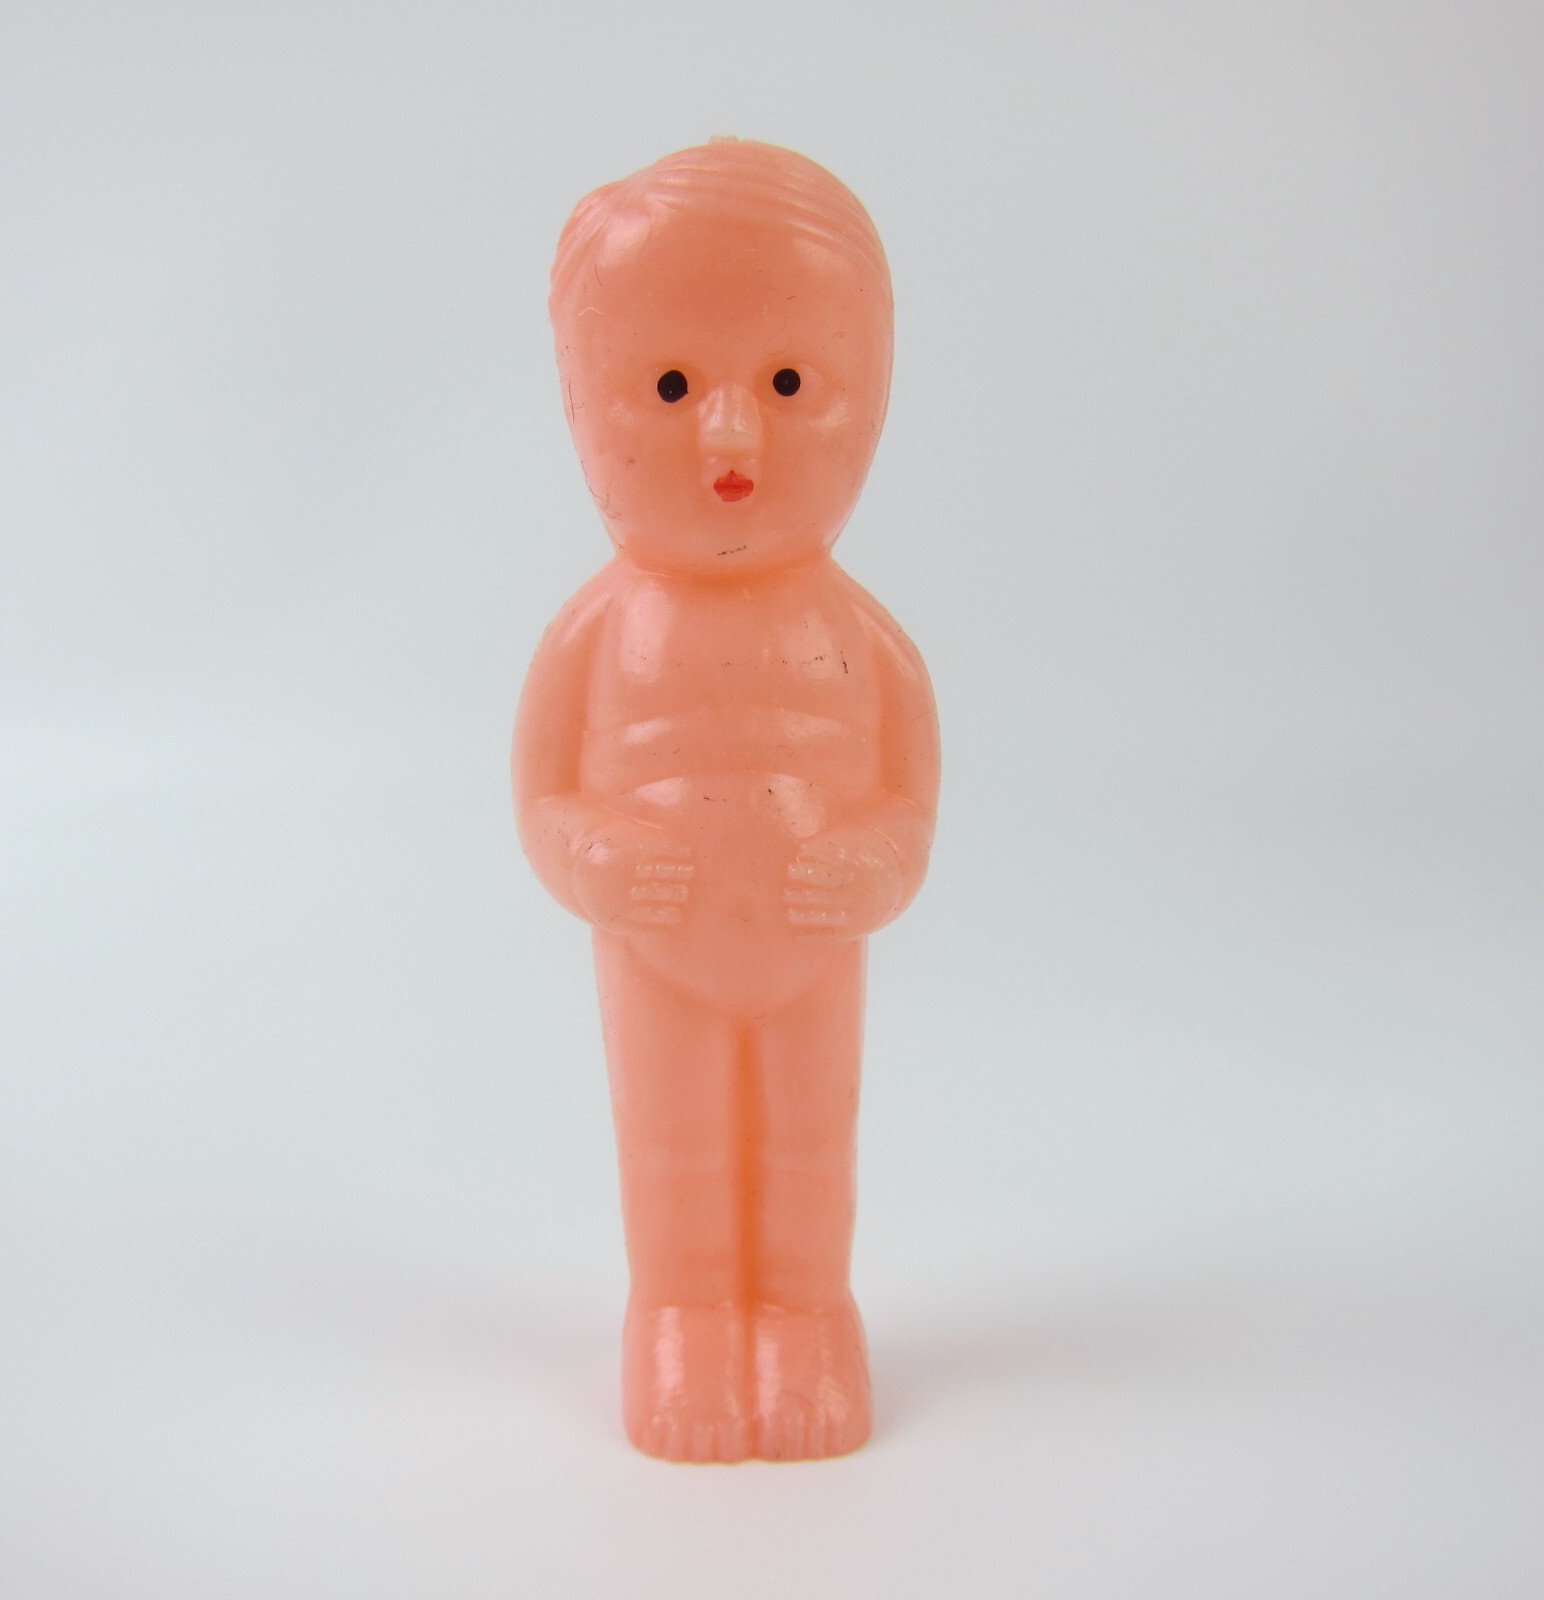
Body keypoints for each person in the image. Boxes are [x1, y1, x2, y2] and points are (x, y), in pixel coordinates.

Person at [514, 138, 939, 1462]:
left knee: (811, 1149)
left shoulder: (863, 639)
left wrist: (878, 859)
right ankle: (684, 1317)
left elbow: (911, 800)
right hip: (658, 954)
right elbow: (541, 795)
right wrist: (588, 852)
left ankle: (806, 1315)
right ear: (580, 399)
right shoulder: (599, 632)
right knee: (675, 1151)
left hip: (813, 954)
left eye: (791, 382)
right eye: (670, 386)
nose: (733, 434)